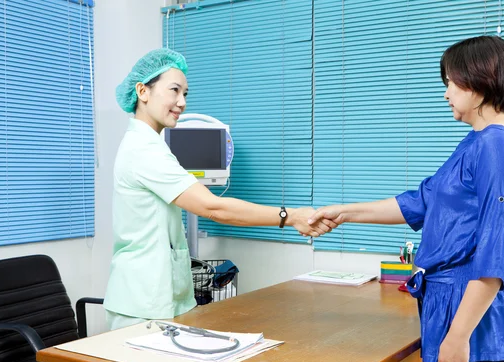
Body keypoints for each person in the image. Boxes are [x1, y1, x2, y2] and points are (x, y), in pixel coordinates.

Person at [308, 36, 504, 362]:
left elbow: (496, 256)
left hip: (477, 328)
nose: (446, 93)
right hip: (459, 313)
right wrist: (345, 212)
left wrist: (459, 336)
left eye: (450, 82)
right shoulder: (478, 140)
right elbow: (422, 202)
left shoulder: (498, 146)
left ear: (479, 79)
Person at [105, 48, 335, 331]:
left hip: (159, 297)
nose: (181, 102)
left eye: (185, 94)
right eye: (174, 90)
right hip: (142, 303)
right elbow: (213, 207)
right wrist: (290, 216)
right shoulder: (144, 151)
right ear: (143, 91)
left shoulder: (151, 146)